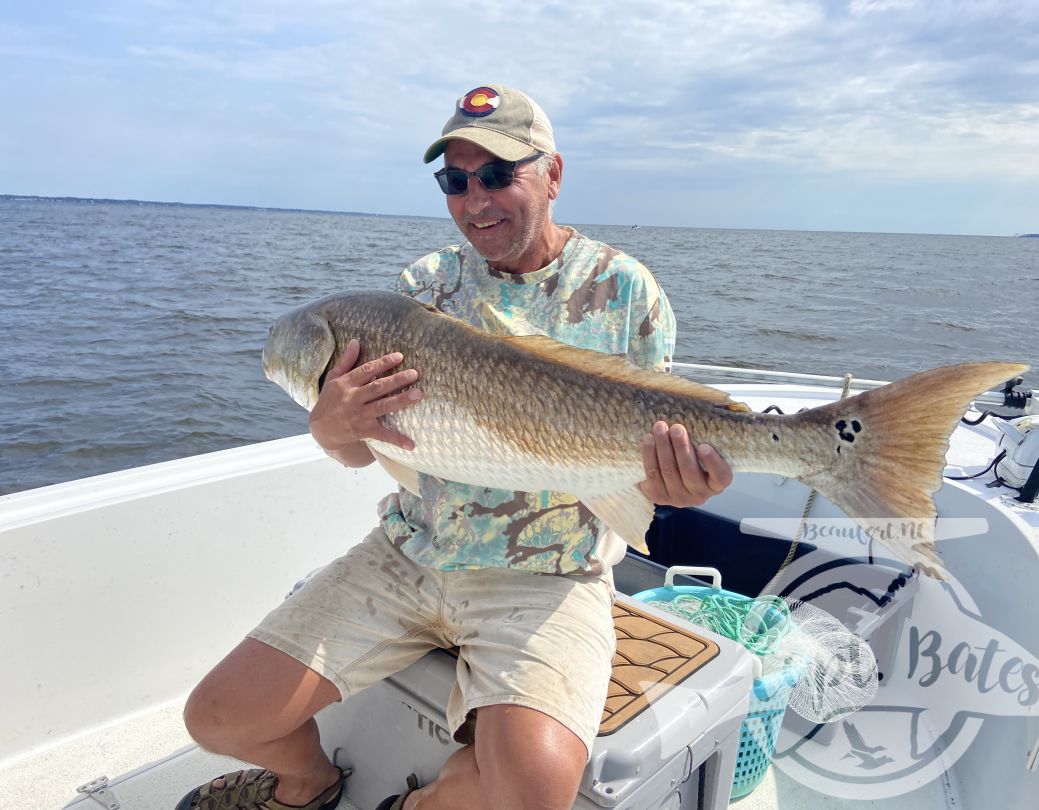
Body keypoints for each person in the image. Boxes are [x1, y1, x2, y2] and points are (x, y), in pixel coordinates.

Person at [177, 84, 732, 810]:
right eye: (456, 181)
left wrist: (676, 483)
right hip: (411, 553)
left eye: (499, 174)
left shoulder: (625, 291)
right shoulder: (426, 287)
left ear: (553, 175)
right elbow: (375, 451)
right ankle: (309, 781)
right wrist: (332, 429)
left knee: (533, 796)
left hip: (550, 575)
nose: (477, 199)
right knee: (216, 716)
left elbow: (646, 466)